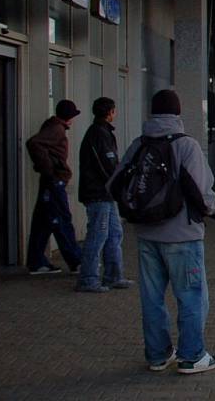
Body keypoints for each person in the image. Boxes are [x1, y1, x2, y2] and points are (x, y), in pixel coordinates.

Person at [109, 89, 215, 374]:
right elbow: (201, 191)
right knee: (191, 296)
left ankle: (158, 355)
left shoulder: (138, 145)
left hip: (147, 235)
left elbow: (114, 184)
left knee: (151, 298)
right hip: (182, 236)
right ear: (178, 112)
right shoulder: (186, 146)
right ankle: (192, 356)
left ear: (152, 112)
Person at [76, 97, 133, 293]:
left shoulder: (99, 132)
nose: (115, 114)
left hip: (104, 194)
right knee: (97, 235)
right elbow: (107, 165)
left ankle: (113, 276)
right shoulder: (100, 134)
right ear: (110, 112)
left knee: (114, 234)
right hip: (98, 193)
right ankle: (88, 279)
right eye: (114, 110)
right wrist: (119, 184)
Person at [25, 99, 83, 275]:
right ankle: (76, 261)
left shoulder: (53, 127)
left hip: (50, 180)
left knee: (43, 221)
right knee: (61, 220)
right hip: (54, 181)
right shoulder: (57, 129)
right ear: (69, 117)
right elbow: (33, 143)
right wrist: (49, 168)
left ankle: (36, 261)